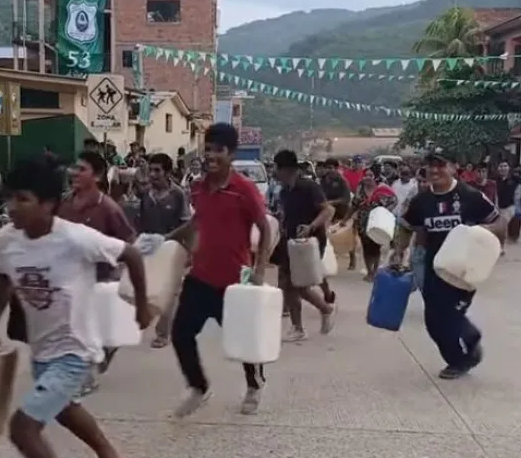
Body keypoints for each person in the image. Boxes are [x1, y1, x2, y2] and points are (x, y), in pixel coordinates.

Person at [0, 157, 151, 458]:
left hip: (76, 351)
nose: (12, 206)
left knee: (23, 428)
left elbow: (131, 254)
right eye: (9, 199)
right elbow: (3, 282)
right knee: (65, 411)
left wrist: (140, 307)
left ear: (49, 203)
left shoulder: (75, 238)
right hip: (43, 350)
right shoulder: (8, 240)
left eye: (23, 198)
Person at [161, 124, 274, 417]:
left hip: (234, 283)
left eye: (218, 150)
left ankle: (254, 385)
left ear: (231, 154)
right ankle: (198, 387)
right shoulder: (198, 187)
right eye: (207, 149)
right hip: (200, 277)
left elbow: (264, 228)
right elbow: (198, 222)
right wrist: (167, 238)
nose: (211, 156)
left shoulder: (244, 189)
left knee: (244, 341)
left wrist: (260, 269)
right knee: (180, 334)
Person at [402, 148, 505, 379]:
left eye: (440, 164)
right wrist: (400, 253)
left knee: (450, 316)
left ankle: (462, 358)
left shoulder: (470, 196)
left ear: (452, 167)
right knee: (432, 321)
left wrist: (483, 232)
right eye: (430, 165)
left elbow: (499, 222)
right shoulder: (421, 199)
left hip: (463, 269)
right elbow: (410, 226)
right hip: (432, 267)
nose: (435, 170)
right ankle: (460, 351)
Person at [56, 152, 136, 394]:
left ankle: (89, 374)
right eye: (74, 168)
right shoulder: (65, 203)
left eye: (82, 169)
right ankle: (87, 366)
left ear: (98, 176)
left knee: (91, 333)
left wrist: (123, 276)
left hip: (101, 281)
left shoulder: (108, 208)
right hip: (68, 280)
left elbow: (129, 242)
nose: (74, 173)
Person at [270, 149, 337, 343]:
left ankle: (323, 310)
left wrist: (310, 227)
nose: (274, 171)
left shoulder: (309, 187)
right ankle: (300, 325)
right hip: (290, 242)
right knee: (287, 284)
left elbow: (327, 210)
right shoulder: (284, 191)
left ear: (287, 169)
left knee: (297, 285)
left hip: (310, 243)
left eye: (276, 167)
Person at [135, 153, 191, 349]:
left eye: (157, 170)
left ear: (167, 172)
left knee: (170, 292)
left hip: (172, 248)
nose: (152, 174)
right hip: (150, 247)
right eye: (151, 170)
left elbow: (187, 224)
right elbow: (140, 222)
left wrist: (170, 240)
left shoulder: (178, 194)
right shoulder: (146, 195)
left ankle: (163, 333)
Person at [352, 168, 398, 282]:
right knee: (366, 247)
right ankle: (369, 272)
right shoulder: (360, 189)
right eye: (365, 175)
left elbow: (394, 200)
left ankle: (376, 270)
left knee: (376, 247)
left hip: (377, 222)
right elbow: (354, 205)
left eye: (370, 175)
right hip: (363, 222)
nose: (367, 177)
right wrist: (346, 219)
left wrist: (385, 210)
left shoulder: (382, 188)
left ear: (375, 176)